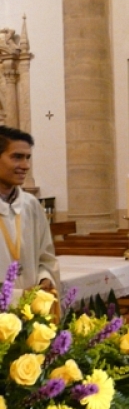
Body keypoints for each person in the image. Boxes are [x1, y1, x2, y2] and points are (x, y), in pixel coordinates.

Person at [0, 126, 59, 304]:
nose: (25, 166)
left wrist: (45, 279)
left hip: (31, 312)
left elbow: (46, 257)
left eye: (28, 158)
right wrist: (16, 297)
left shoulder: (31, 204)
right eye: (17, 157)